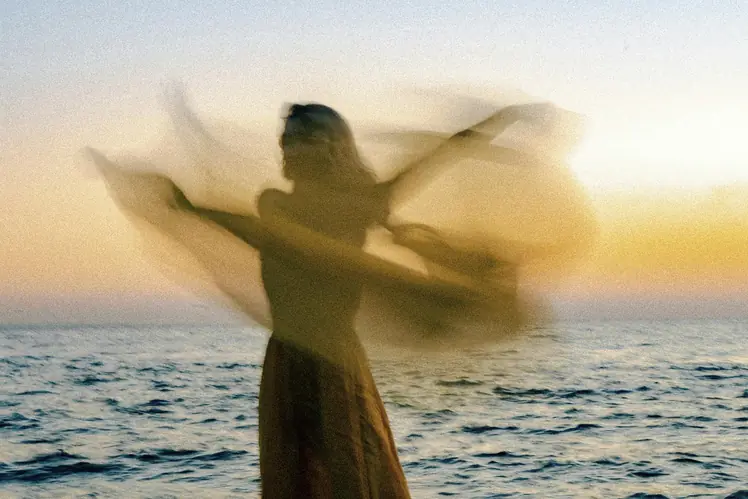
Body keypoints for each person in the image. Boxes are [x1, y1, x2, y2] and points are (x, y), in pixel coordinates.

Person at [89, 93, 570, 498]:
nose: (288, 150)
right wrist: (192, 210)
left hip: (335, 359)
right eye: (286, 141)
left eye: (300, 140)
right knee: (296, 476)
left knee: (349, 474)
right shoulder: (276, 203)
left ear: (330, 148)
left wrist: (501, 120)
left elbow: (437, 156)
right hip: (285, 359)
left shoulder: (360, 203)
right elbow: (260, 234)